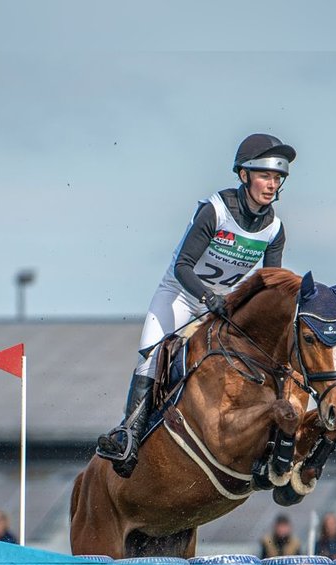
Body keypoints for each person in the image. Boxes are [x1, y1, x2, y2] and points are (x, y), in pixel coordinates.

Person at [95, 133, 296, 478]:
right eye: (265, 176)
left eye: (277, 178)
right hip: (182, 295)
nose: (271, 184)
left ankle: (272, 447)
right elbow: (182, 266)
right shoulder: (214, 211)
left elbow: (268, 285)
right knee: (152, 354)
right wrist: (207, 298)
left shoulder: (274, 229)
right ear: (244, 175)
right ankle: (129, 435)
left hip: (228, 306)